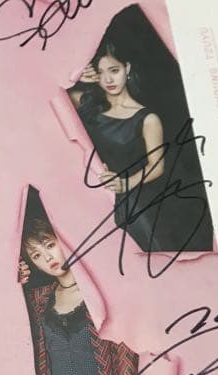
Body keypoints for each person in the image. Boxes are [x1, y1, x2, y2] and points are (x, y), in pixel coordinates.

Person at [18, 218, 137, 375]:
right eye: (36, 255)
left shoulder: (103, 292)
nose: (47, 258)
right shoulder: (38, 300)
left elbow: (126, 365)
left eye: (50, 245)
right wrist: (13, 280)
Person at [69, 40, 175, 252]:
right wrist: (77, 77)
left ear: (127, 68)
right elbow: (56, 95)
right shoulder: (87, 103)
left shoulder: (147, 118)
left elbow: (157, 166)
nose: (108, 79)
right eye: (100, 73)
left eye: (114, 70)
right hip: (91, 196)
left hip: (134, 203)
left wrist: (125, 184)